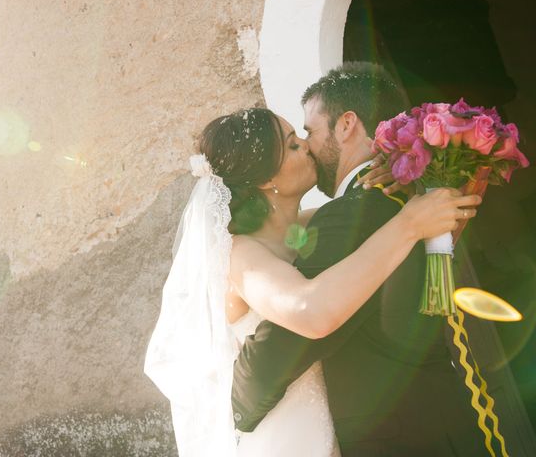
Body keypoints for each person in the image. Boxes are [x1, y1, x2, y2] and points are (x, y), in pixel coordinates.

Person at [144, 104, 480, 457]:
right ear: (265, 180)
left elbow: (371, 221)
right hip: (286, 435)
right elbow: (311, 311)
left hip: (335, 425)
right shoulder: (239, 254)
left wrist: (402, 179)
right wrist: (408, 225)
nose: (306, 145)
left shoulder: (309, 226)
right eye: (291, 144)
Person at [231, 62, 492, 456]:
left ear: (346, 124)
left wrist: (238, 409)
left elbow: (275, 357)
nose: (307, 147)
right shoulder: (408, 196)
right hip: (449, 425)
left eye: (308, 132)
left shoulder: (357, 214)